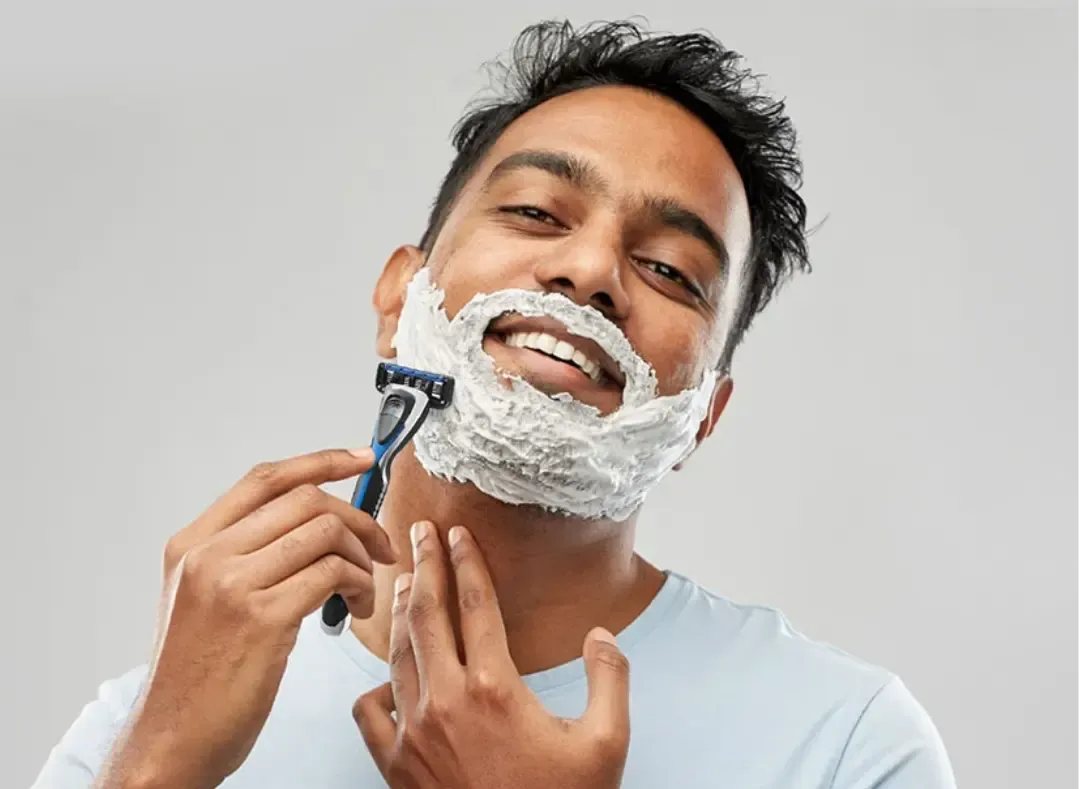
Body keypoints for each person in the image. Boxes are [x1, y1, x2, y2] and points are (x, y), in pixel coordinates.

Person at [32, 19, 956, 789]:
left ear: (700, 420)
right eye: (536, 213)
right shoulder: (144, 729)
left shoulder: (845, 742)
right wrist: (155, 766)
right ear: (399, 297)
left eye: (669, 269)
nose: (589, 271)